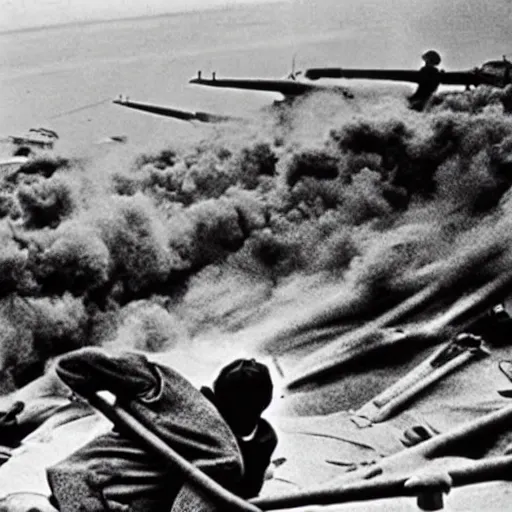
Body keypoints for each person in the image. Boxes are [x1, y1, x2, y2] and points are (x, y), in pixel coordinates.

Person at [43, 348, 276, 512]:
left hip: (72, 482)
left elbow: (70, 365)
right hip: (98, 499)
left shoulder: (164, 387)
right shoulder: (226, 457)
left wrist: (92, 385)